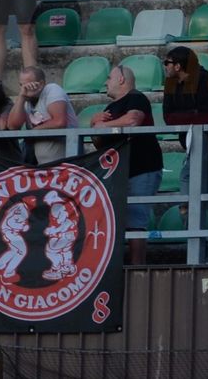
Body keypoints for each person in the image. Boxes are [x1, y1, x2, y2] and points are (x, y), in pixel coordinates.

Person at [162, 45, 208, 263]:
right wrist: (192, 116)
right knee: (187, 203)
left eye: (168, 63)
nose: (165, 67)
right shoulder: (170, 84)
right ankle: (198, 257)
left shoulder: (203, 78)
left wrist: (189, 117)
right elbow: (168, 117)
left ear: (178, 65)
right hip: (193, 150)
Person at [89, 64, 163, 265]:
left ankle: (137, 269)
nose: (105, 82)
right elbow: (98, 142)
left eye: (109, 78)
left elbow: (133, 120)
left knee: (136, 220)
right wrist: (93, 124)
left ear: (121, 79)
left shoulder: (136, 97)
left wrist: (102, 125)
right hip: (120, 172)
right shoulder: (109, 108)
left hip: (142, 168)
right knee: (119, 221)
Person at [7, 66, 78, 165]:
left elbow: (59, 122)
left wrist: (33, 132)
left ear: (41, 84)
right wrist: (22, 96)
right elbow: (12, 126)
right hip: (42, 167)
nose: (24, 89)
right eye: (21, 85)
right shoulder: (25, 100)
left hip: (66, 163)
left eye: (28, 85)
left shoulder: (52, 90)